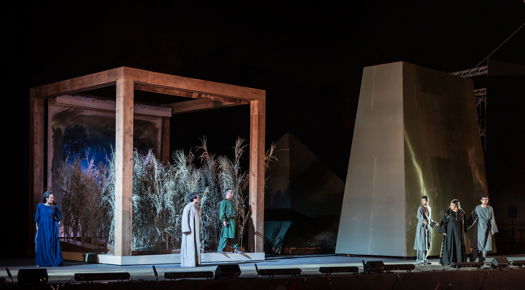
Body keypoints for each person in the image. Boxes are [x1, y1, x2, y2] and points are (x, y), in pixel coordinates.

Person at [35, 191, 63, 267]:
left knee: (51, 243)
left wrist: (57, 225)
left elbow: (59, 217)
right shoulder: (40, 206)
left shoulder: (55, 207)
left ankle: (52, 260)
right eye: (51, 197)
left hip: (51, 228)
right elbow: (37, 218)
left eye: (53, 198)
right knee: (42, 244)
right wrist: (37, 228)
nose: (52, 199)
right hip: (43, 228)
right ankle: (42, 261)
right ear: (46, 198)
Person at [469, 195, 498, 262]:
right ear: (481, 200)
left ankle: (482, 260)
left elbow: (492, 219)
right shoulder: (477, 208)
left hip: (487, 228)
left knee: (486, 245)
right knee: (477, 245)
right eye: (483, 199)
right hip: (479, 228)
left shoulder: (490, 208)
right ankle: (472, 261)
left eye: (486, 199)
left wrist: (493, 229)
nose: (485, 201)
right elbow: (473, 216)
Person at [439, 199, 467, 266]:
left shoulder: (461, 212)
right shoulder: (447, 212)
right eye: (451, 205)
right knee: (450, 245)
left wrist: (464, 230)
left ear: (457, 205)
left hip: (458, 233)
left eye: (453, 205)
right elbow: (443, 221)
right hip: (450, 232)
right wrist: (443, 230)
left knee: (458, 245)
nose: (451, 206)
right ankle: (450, 261)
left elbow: (464, 222)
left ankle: (459, 261)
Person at [414, 195, 438, 265]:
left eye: (424, 200)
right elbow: (419, 216)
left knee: (427, 244)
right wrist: (423, 220)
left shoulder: (429, 208)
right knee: (421, 243)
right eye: (422, 201)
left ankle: (425, 259)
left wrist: (433, 222)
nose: (423, 202)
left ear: (427, 201)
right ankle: (419, 259)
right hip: (421, 227)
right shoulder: (420, 208)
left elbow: (429, 218)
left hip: (427, 228)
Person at [181, 193, 201, 267]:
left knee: (195, 245)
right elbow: (184, 218)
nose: (199, 199)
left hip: (194, 230)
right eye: (198, 197)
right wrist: (186, 229)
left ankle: (195, 262)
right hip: (189, 231)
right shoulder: (188, 207)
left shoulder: (195, 207)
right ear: (194, 198)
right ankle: (189, 263)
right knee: (190, 246)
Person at [217, 189, 241, 253]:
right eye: (231, 193)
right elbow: (222, 212)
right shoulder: (224, 202)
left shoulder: (231, 202)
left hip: (233, 221)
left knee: (234, 235)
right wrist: (224, 220)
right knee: (225, 235)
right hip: (228, 221)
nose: (232, 194)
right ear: (227, 193)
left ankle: (235, 248)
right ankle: (220, 249)